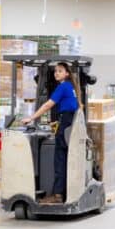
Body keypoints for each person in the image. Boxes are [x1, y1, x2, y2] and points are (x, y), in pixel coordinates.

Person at [21, 62, 81, 204]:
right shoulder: (72, 87)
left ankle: (57, 195)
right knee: (65, 158)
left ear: (67, 73)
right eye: (55, 71)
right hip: (69, 123)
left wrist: (31, 118)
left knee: (59, 159)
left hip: (65, 122)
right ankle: (63, 192)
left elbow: (48, 104)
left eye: (60, 71)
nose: (56, 73)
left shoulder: (63, 86)